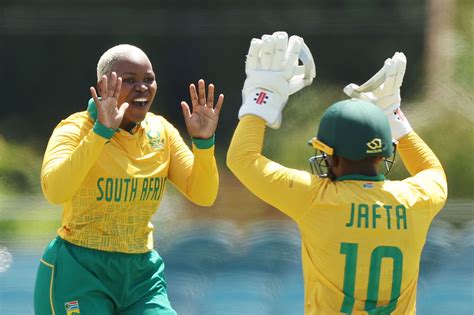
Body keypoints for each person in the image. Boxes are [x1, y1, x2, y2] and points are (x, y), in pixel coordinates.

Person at [227, 32, 447, 314]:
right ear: (383, 155)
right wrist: (394, 116)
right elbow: (434, 172)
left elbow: (242, 159)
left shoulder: (315, 198)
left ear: (333, 157)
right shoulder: (416, 199)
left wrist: (261, 100)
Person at [34, 44, 224, 315]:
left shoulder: (162, 132)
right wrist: (101, 132)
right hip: (78, 271)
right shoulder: (75, 129)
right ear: (103, 86)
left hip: (141, 275)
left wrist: (203, 143)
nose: (142, 88)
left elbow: (204, 195)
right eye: (130, 80)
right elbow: (55, 191)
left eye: (148, 79)